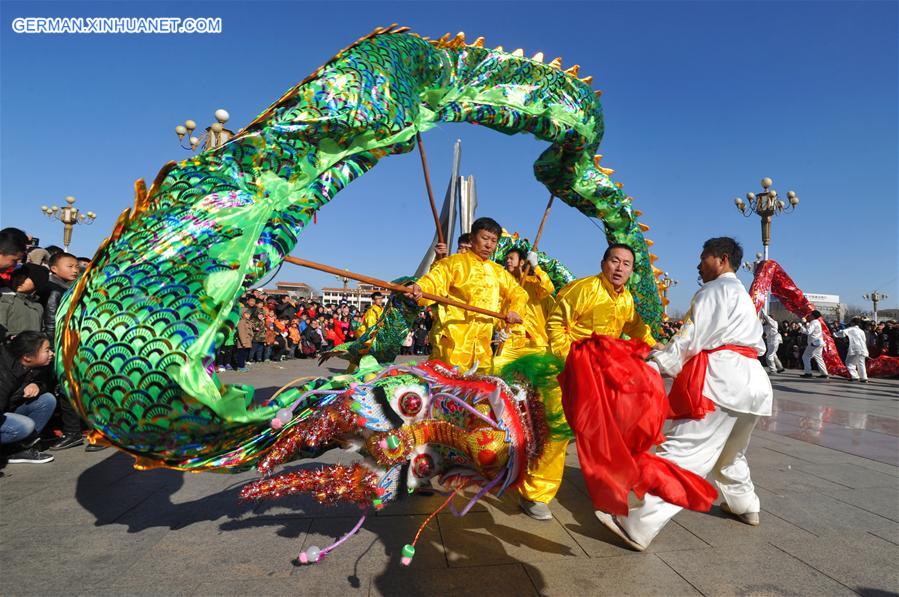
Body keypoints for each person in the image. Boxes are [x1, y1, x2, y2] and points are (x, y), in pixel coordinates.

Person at [594, 237, 773, 551]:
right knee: (731, 452)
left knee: (683, 455)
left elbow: (691, 335)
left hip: (723, 381)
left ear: (720, 259)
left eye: (703, 258)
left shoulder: (714, 291)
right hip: (754, 385)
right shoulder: (742, 296)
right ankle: (746, 504)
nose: (698, 265)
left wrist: (658, 364)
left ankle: (639, 525)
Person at [520, 243, 655, 520]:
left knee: (610, 431)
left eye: (626, 264)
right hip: (567, 371)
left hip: (602, 375)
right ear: (603, 262)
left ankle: (609, 488)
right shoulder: (584, 289)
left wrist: (658, 345)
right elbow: (556, 323)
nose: (619, 268)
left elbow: (635, 326)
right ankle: (534, 494)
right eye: (615, 261)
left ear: (631, 271)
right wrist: (569, 358)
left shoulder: (626, 299)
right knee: (557, 431)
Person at [406, 217, 525, 373]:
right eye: (485, 238)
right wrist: (420, 288)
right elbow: (434, 281)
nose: (489, 245)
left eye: (494, 241)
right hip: (453, 343)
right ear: (472, 238)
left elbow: (519, 293)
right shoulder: (453, 263)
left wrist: (515, 309)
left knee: (480, 391)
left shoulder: (498, 272)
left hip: (482, 346)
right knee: (447, 388)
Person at [492, 247, 555, 373]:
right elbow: (498, 308)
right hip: (509, 340)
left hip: (534, 342)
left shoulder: (532, 283)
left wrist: (536, 266)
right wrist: (498, 331)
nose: (508, 261)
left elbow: (548, 288)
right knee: (495, 369)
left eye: (511, 258)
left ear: (521, 262)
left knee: (542, 380)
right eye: (506, 259)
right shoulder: (503, 285)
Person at [1, 331, 57, 464]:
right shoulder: (4, 372)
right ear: (27, 357)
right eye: (47, 350)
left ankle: (19, 449)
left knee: (47, 400)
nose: (52, 354)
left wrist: (36, 384)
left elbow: (47, 381)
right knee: (25, 426)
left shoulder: (35, 365)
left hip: (8, 410)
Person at [0, 265, 44, 340]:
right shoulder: (6, 299)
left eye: (25, 278)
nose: (19, 280)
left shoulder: (38, 306)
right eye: (16, 276)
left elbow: (42, 330)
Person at [833, 318, 869, 382]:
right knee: (861, 363)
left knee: (849, 362)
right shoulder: (861, 331)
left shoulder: (851, 329)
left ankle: (854, 376)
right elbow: (864, 340)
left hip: (855, 348)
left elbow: (842, 333)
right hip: (863, 349)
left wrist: (834, 334)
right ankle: (864, 377)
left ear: (853, 323)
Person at [800, 310, 829, 378]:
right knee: (818, 357)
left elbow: (808, 332)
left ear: (813, 316)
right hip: (819, 342)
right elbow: (810, 328)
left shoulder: (813, 322)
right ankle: (824, 373)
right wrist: (805, 323)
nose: (809, 316)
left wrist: (801, 326)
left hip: (814, 342)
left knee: (805, 356)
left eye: (810, 315)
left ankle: (808, 373)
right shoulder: (817, 322)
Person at [760, 310, 785, 374]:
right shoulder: (766, 326)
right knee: (774, 355)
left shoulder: (774, 323)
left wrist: (762, 311)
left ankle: (773, 370)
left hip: (775, 340)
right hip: (769, 341)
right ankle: (780, 367)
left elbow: (768, 318)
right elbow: (761, 329)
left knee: (769, 356)